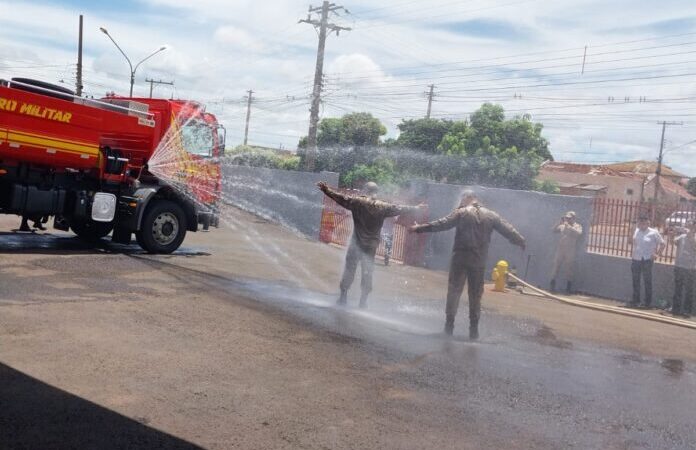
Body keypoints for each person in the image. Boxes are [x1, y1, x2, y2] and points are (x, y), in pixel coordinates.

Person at [410, 190, 525, 339]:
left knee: (454, 292)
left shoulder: (461, 212)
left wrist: (419, 228)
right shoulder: (491, 215)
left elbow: (442, 224)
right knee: (475, 295)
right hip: (478, 261)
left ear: (468, 198)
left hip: (460, 258)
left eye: (463, 198)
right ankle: (473, 331)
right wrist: (520, 240)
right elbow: (507, 229)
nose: (461, 201)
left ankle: (449, 327)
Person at [317, 181, 424, 308]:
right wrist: (416, 208)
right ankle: (363, 302)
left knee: (349, 269)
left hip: (356, 244)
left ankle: (343, 297)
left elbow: (340, 198)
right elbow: (400, 209)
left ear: (365, 191)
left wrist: (326, 190)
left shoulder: (357, 202)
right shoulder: (383, 206)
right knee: (367, 271)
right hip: (371, 246)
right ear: (376, 192)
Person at [630, 215, 665, 308]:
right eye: (640, 222)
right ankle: (636, 300)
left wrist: (657, 254)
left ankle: (647, 302)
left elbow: (662, 243)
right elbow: (631, 242)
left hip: (647, 259)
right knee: (635, 280)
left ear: (648, 223)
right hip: (636, 258)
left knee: (647, 281)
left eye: (643, 222)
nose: (641, 224)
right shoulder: (637, 231)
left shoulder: (654, 232)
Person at [550, 211, 583, 293]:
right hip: (561, 249)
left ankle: (568, 288)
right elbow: (553, 230)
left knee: (569, 269)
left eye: (569, 218)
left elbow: (578, 234)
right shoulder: (563, 225)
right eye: (567, 218)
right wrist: (559, 222)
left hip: (570, 250)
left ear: (574, 218)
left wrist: (569, 227)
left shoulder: (577, 226)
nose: (568, 219)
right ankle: (552, 286)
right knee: (556, 267)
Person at [672, 220, 695, 317]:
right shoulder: (682, 236)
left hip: (691, 268)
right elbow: (674, 242)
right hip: (679, 266)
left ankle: (687, 310)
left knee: (689, 290)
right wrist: (672, 234)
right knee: (678, 288)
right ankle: (675, 308)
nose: (691, 227)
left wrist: (691, 236)